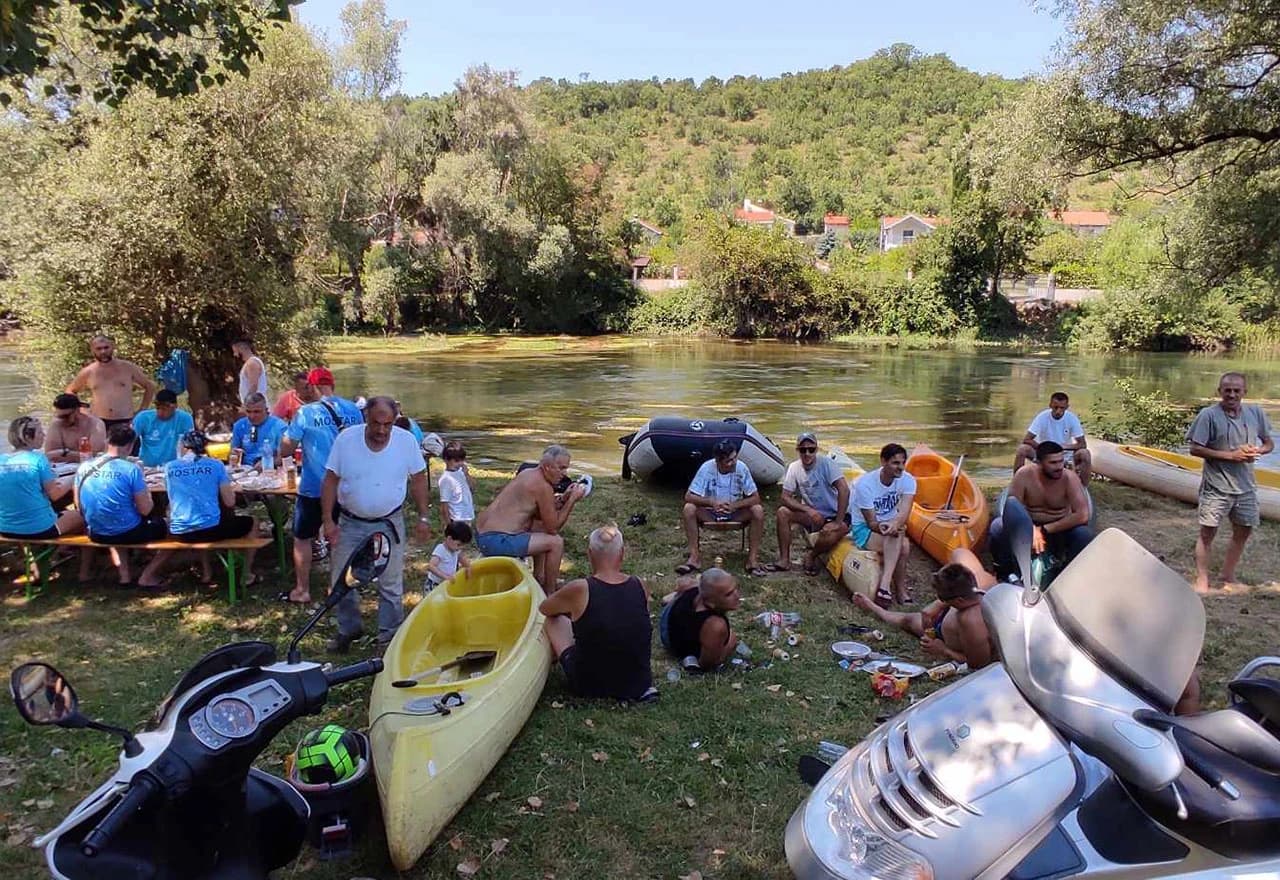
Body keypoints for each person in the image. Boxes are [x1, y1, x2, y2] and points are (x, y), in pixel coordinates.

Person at [321, 396, 431, 652]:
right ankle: (348, 629)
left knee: (390, 582)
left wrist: (423, 516)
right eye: (376, 423)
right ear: (365, 419)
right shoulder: (346, 440)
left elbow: (418, 478)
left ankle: (389, 637)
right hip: (350, 521)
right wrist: (328, 520)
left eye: (388, 424)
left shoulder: (405, 441)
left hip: (388, 521)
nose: (382, 430)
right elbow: (329, 480)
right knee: (341, 579)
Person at [278, 367, 364, 605]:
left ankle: (302, 590)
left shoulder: (305, 413)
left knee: (302, 537)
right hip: (347, 488)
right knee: (342, 539)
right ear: (332, 385)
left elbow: (286, 448)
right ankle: (335, 588)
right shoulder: (354, 411)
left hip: (314, 486)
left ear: (312, 386)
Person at [539, 525, 655, 701]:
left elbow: (545, 608)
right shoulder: (640, 585)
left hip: (591, 686)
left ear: (590, 553)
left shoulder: (580, 589)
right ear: (622, 553)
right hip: (639, 683)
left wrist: (569, 606)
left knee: (553, 621)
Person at [1188, 372, 1275, 593]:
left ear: (1245, 392)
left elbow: (1269, 443)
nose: (1232, 394)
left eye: (1237, 390)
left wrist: (1258, 450)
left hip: (1245, 486)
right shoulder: (1208, 415)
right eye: (1227, 390)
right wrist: (1231, 456)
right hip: (1216, 486)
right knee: (1208, 532)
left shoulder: (1255, 412)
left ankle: (1228, 575)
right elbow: (1195, 448)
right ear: (1220, 392)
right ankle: (1202, 580)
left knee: (1244, 530)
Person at [474, 444, 587, 595]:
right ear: (546, 467)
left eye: (566, 468)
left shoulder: (528, 473)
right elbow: (553, 528)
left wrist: (563, 498)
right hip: (496, 540)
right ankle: (550, 593)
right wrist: (572, 500)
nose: (564, 474)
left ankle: (539, 577)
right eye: (561, 468)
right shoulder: (543, 487)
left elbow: (539, 513)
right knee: (556, 542)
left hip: (483, 534)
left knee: (539, 527)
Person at [853, 557, 994, 670]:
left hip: (944, 639)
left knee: (907, 621)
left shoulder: (971, 621)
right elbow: (959, 552)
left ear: (960, 600)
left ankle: (876, 609)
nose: (940, 600)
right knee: (909, 620)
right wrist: (939, 604)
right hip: (944, 624)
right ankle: (876, 609)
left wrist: (943, 650)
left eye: (943, 598)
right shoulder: (982, 582)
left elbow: (979, 666)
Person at [74, 424, 169, 586]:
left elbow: (78, 505)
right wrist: (147, 493)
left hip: (96, 531)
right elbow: (146, 509)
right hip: (127, 531)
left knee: (120, 517)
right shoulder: (131, 469)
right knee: (171, 527)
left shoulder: (84, 467)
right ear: (131, 446)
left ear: (107, 441)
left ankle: (124, 576)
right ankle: (148, 575)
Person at [165, 430, 259, 584]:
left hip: (180, 531)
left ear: (183, 447)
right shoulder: (215, 465)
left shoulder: (170, 467)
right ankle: (247, 573)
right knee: (253, 521)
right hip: (210, 530)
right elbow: (229, 502)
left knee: (201, 515)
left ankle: (207, 571)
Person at [990, 441, 1093, 578]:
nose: (1059, 467)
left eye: (1061, 461)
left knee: (1083, 534)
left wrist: (1044, 529)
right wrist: (1032, 529)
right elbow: (1012, 508)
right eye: (1053, 463)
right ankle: (1006, 573)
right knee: (997, 527)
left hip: (1059, 528)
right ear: (1038, 463)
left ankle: (1068, 574)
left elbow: (1082, 515)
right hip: (1027, 526)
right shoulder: (1024, 475)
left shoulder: (1069, 478)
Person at [678, 439, 766, 577]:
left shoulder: (741, 468)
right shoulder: (707, 468)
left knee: (758, 510)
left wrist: (735, 506)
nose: (733, 462)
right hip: (710, 512)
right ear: (718, 461)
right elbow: (689, 496)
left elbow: (756, 498)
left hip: (735, 512)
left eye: (735, 458)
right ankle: (694, 558)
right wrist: (711, 502)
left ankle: (752, 560)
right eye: (729, 461)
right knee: (689, 508)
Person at [771, 432, 850, 575]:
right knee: (782, 512)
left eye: (811, 449)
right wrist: (807, 510)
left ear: (816, 449)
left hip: (833, 513)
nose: (807, 453)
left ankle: (812, 555)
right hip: (813, 515)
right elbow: (785, 497)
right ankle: (784, 559)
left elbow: (844, 490)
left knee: (832, 533)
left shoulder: (827, 464)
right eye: (803, 450)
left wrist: (838, 521)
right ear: (797, 450)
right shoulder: (794, 468)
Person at [851, 443, 917, 607]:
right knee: (904, 545)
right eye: (895, 463)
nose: (900, 468)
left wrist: (894, 524)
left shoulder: (908, 480)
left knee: (900, 534)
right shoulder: (865, 484)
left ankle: (886, 586)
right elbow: (871, 522)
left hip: (891, 527)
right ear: (883, 461)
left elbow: (904, 513)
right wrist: (887, 526)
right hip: (865, 529)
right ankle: (897, 589)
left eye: (903, 463)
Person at [0, 416, 84, 541]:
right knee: (82, 516)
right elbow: (55, 494)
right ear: (28, 437)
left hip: (5, 528)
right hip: (38, 529)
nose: (44, 435)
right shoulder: (37, 459)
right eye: (40, 432)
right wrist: (75, 476)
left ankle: (55, 550)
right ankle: (64, 552)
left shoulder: (2, 460)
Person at [65, 334, 157, 434]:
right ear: (93, 350)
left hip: (125, 421)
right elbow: (70, 390)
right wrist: (81, 410)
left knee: (129, 449)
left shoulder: (127, 367)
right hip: (98, 422)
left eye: (106, 347)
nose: (103, 352)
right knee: (99, 450)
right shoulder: (89, 372)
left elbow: (149, 386)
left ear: (112, 347)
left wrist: (141, 412)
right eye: (99, 349)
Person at [659, 568, 742, 670]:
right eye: (728, 594)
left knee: (689, 584)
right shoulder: (715, 625)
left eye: (735, 589)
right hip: (670, 639)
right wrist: (730, 644)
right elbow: (707, 664)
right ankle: (672, 598)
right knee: (731, 637)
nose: (737, 596)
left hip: (670, 614)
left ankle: (671, 598)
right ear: (711, 603)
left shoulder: (697, 589)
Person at [1014, 392, 1092, 485]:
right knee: (1022, 449)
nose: (1058, 411)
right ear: (1050, 405)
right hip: (1044, 454)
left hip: (1064, 455)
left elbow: (1082, 444)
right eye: (1055, 407)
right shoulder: (1042, 417)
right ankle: (1017, 483)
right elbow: (1027, 440)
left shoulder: (1072, 419)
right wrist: (1044, 447)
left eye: (1062, 408)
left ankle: (1083, 487)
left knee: (1085, 454)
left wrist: (1063, 447)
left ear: (1067, 407)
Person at [132, 389, 195, 467]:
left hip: (174, 467)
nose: (160, 412)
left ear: (175, 406)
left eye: (164, 409)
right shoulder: (143, 418)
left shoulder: (185, 418)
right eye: (158, 408)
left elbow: (189, 445)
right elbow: (130, 439)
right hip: (147, 467)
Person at [44, 393, 107, 465]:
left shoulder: (96, 424)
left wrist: (63, 453)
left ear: (77, 410)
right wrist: (78, 455)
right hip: (63, 469)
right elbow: (50, 455)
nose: (62, 420)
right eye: (59, 416)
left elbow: (94, 455)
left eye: (65, 416)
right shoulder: (57, 424)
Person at [230, 392, 288, 468]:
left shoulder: (279, 426)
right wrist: (234, 455)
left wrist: (267, 463)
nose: (252, 416)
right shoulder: (239, 426)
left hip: (270, 469)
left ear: (266, 410)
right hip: (246, 471)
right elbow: (234, 453)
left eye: (257, 412)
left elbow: (283, 458)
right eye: (248, 411)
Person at [437, 441, 476, 528]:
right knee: (456, 541)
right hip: (456, 519)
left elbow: (473, 488)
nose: (460, 463)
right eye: (456, 461)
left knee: (466, 540)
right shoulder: (446, 479)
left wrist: (467, 474)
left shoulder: (461, 472)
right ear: (446, 460)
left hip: (467, 515)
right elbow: (444, 505)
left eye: (462, 460)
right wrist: (448, 525)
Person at [426, 520, 472, 591]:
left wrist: (468, 567)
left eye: (462, 546)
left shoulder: (455, 550)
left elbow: (463, 560)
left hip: (446, 583)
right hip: (435, 584)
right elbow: (431, 566)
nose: (460, 548)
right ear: (449, 539)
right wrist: (445, 576)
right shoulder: (441, 550)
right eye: (459, 544)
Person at [232, 339, 268, 405]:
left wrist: (248, 403)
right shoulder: (250, 363)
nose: (235, 355)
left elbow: (253, 386)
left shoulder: (252, 363)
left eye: (235, 351)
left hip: (256, 406)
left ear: (241, 349)